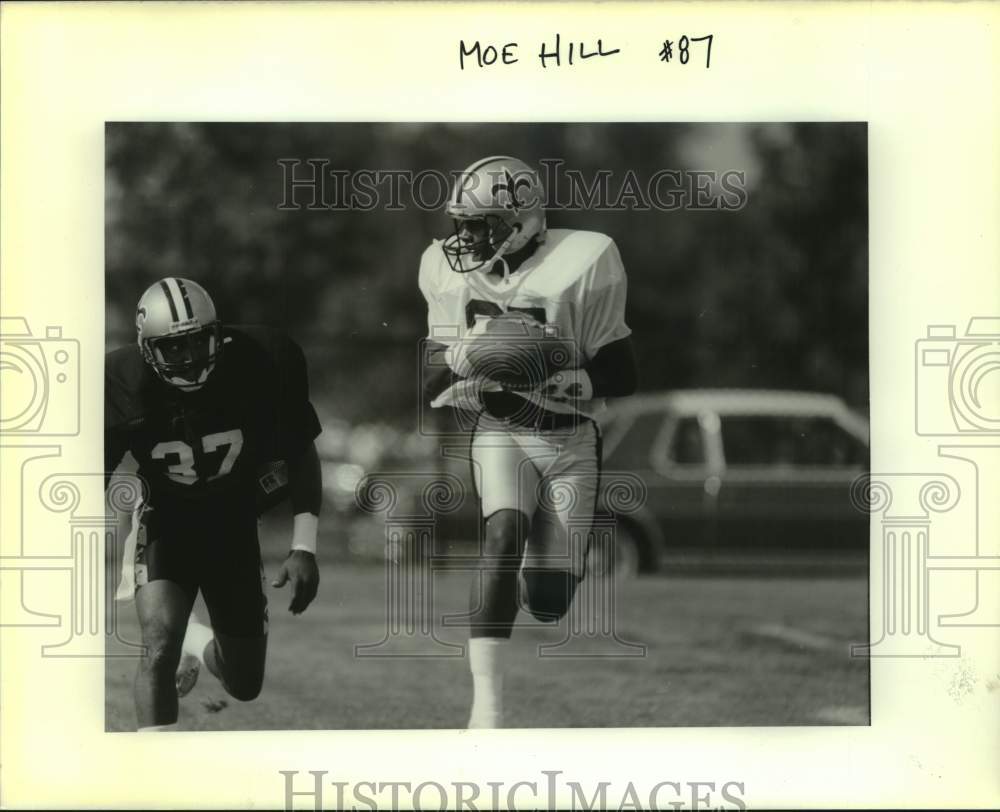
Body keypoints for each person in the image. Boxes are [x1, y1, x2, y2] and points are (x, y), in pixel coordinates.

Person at [418, 156, 638, 728]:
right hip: (502, 431)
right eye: (462, 223)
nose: (465, 237)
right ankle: (486, 712)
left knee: (548, 602)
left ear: (520, 221)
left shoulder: (585, 261)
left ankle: (530, 573)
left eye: (479, 224)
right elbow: (430, 381)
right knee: (502, 536)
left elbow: (624, 373)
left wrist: (561, 373)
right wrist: (471, 352)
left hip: (568, 440)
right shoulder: (446, 271)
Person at [105, 277, 323, 731]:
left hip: (233, 520)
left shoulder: (261, 360)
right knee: (158, 646)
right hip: (166, 517)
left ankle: (196, 641)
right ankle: (157, 768)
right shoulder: (120, 382)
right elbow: (91, 472)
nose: (187, 356)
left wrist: (304, 546)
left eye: (196, 341)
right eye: (172, 347)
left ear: (217, 334)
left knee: (243, 682)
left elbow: (301, 452)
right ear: (146, 350)